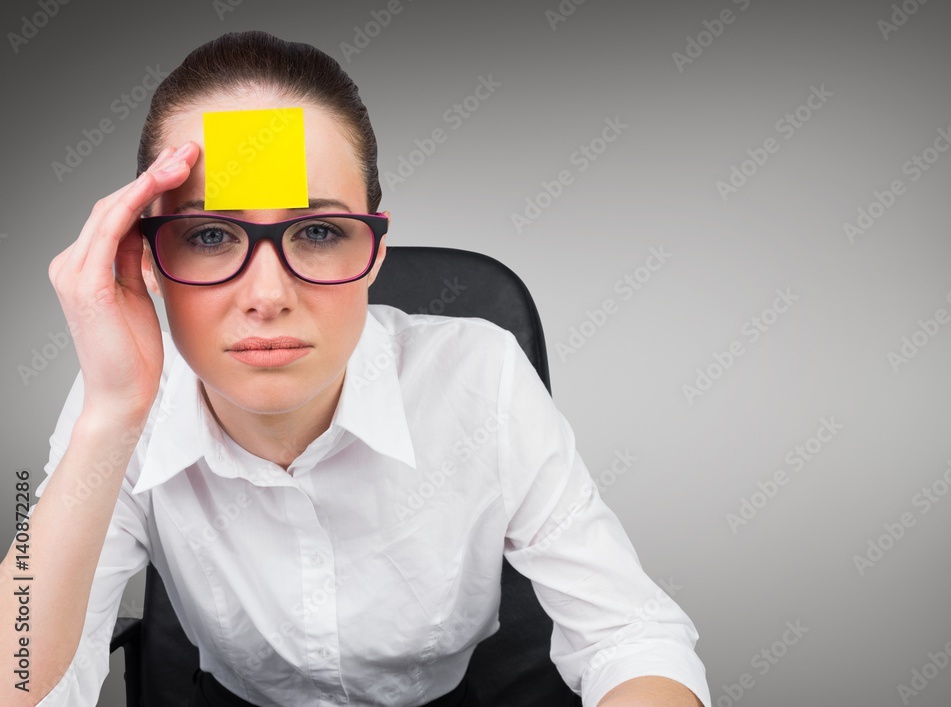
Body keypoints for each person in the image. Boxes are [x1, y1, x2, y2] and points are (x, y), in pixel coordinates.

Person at [0, 31, 711, 707]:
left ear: (372, 251)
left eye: (316, 232)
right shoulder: (119, 405)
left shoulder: (481, 376)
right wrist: (108, 418)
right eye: (210, 234)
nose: (268, 295)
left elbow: (633, 633)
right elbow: (20, 678)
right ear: (149, 258)